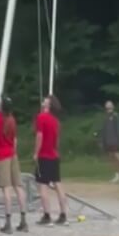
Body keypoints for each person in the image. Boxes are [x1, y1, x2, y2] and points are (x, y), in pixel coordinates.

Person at [0, 96, 28, 234]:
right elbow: (14, 140)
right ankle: (23, 221)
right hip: (12, 154)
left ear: (1, 105)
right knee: (18, 187)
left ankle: (8, 223)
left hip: (1, 156)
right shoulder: (12, 119)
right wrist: (13, 153)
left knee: (6, 189)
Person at [34, 95, 68, 226]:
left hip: (44, 155)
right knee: (58, 183)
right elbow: (57, 139)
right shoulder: (56, 121)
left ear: (48, 104)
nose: (43, 102)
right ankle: (63, 214)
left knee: (42, 185)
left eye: (45, 101)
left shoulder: (41, 117)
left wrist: (36, 153)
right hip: (54, 155)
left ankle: (47, 215)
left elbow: (39, 135)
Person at [98, 100, 119, 183]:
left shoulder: (116, 116)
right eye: (107, 107)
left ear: (112, 107)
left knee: (118, 158)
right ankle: (117, 175)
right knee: (111, 159)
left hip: (115, 141)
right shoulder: (105, 118)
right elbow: (104, 131)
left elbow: (118, 129)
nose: (108, 109)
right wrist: (102, 141)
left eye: (110, 107)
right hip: (108, 142)